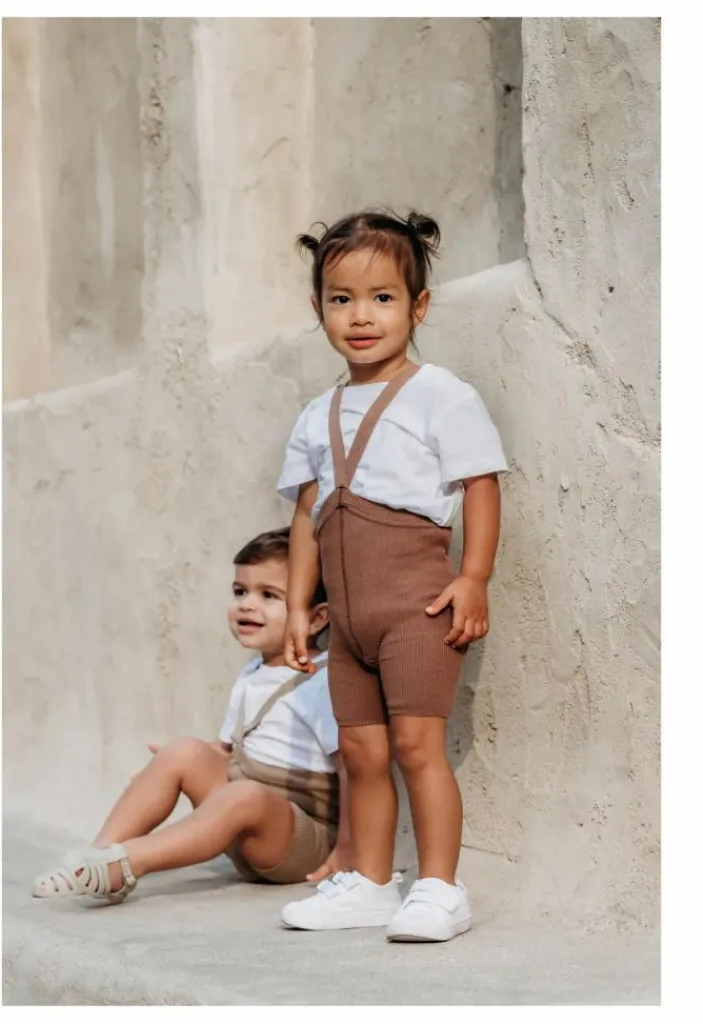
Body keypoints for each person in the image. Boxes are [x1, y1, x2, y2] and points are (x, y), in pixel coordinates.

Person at [276, 209, 508, 942]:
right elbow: (308, 516)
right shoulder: (316, 414)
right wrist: (298, 607)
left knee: (416, 747)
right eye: (341, 299)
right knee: (362, 753)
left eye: (382, 298)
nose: (361, 316)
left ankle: (439, 887)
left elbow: (480, 484)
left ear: (419, 306)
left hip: (417, 608)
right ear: (318, 309)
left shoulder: (441, 393)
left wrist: (474, 577)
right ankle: (372, 885)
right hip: (349, 623)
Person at [31, 528, 351, 902]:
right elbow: (229, 751)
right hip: (242, 822)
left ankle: (128, 862)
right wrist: (165, 768)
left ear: (315, 618)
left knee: (245, 794)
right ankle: (96, 859)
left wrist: (350, 846)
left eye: (269, 595)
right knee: (184, 750)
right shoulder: (254, 672)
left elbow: (353, 769)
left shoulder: (322, 682)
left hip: (300, 840)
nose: (247, 605)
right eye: (240, 592)